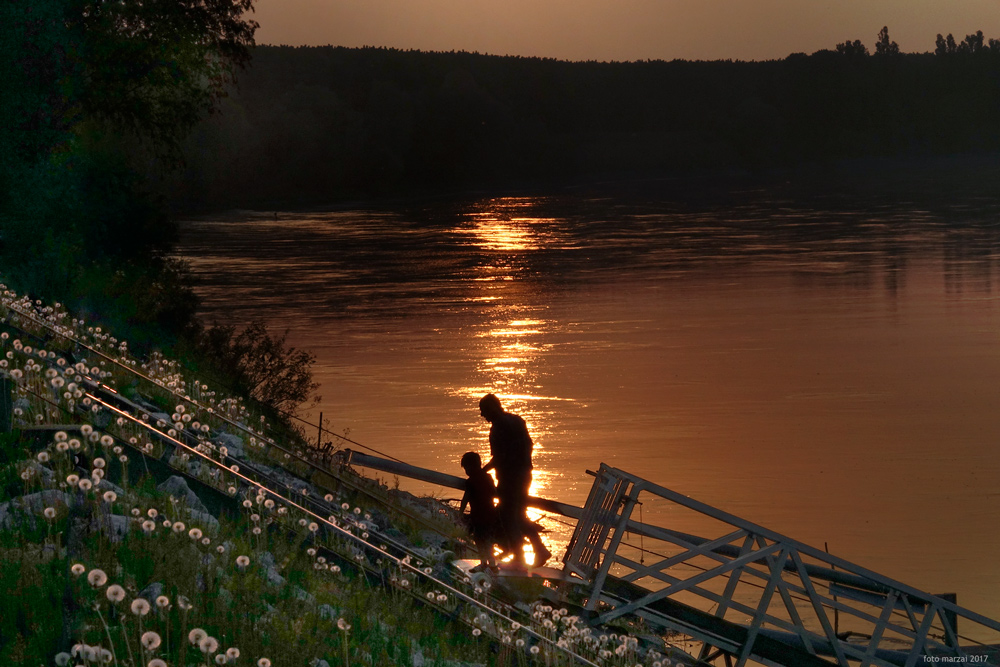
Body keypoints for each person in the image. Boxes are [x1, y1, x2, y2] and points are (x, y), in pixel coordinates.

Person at [478, 393, 552, 568]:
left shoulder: (498, 428)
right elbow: (529, 446)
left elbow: (499, 457)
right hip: (525, 474)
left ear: (493, 407)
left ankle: (519, 555)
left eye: (483, 410)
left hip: (509, 478)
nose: (482, 415)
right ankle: (539, 548)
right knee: (518, 514)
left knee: (508, 515)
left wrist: (482, 472)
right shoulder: (517, 421)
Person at [459, 451, 498, 572]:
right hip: (491, 514)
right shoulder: (488, 477)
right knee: (488, 540)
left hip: (478, 516)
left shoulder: (470, 482)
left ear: (470, 467)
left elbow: (466, 498)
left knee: (479, 540)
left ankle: (484, 563)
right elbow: (494, 493)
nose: (466, 471)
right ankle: (491, 563)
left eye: (466, 468)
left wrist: (460, 512)